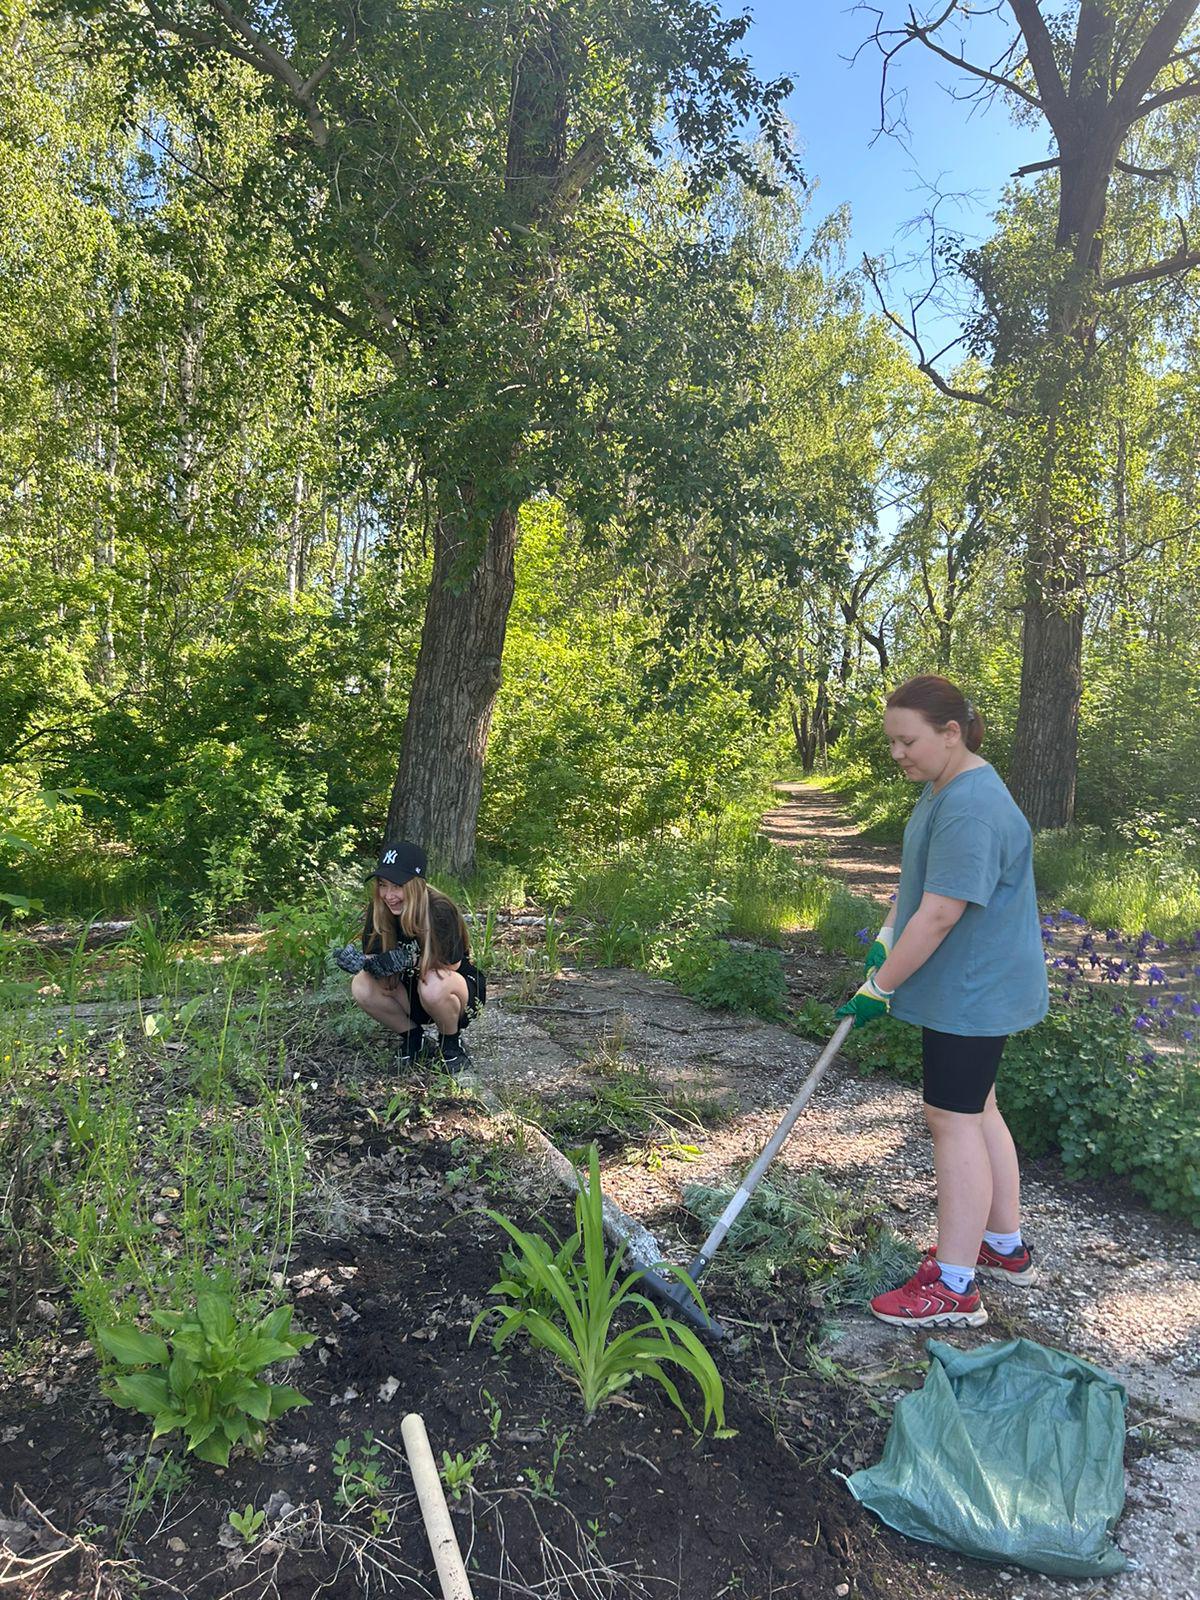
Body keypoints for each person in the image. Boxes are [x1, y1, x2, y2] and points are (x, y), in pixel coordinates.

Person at [836, 674, 1048, 1329]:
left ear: (950, 733)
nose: (897, 753)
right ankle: (1001, 1245)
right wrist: (882, 938)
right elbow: (917, 888)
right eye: (891, 742)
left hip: (975, 990)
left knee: (949, 1118)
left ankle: (955, 1288)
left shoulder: (973, 806)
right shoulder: (941, 787)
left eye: (908, 741)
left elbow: (939, 915)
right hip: (975, 984)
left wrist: (881, 987)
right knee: (977, 1108)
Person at [346, 841, 485, 1069]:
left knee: (433, 983)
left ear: (414, 884)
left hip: (454, 993)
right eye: (383, 885)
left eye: (397, 886)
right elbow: (374, 958)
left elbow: (453, 964)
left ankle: (450, 1043)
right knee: (361, 984)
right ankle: (413, 1038)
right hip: (410, 992)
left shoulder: (439, 908)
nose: (389, 895)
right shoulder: (380, 909)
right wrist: (360, 962)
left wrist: (406, 960)